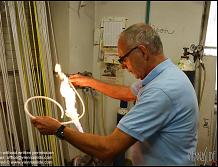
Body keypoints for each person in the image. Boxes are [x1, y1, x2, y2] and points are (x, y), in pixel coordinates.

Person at [31, 23, 199, 165]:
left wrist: (58, 129)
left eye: (123, 59)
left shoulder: (161, 91)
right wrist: (89, 82)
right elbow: (128, 92)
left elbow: (108, 148)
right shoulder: (164, 74)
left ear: (142, 51)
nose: (123, 66)